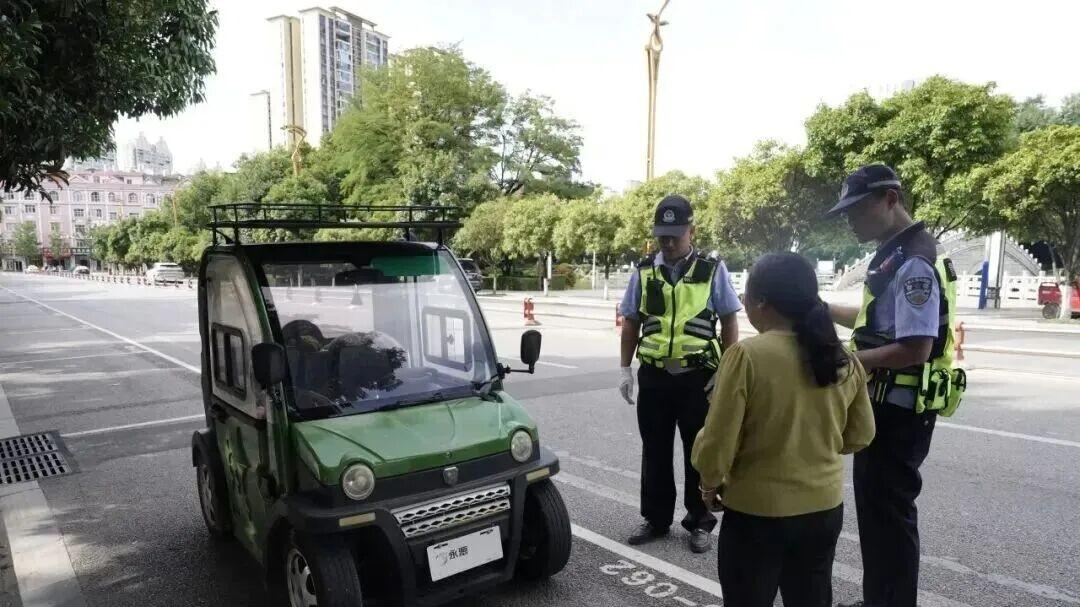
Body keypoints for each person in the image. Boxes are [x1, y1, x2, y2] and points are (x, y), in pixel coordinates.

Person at [690, 253, 875, 607]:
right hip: (823, 511)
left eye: (745, 297)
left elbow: (718, 441)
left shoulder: (746, 355)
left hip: (758, 515)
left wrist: (709, 483)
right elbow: (860, 435)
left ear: (761, 301)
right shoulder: (841, 356)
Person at [827, 165, 963, 607]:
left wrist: (846, 362)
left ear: (890, 198)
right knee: (878, 515)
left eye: (857, 208)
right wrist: (824, 307)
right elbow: (877, 323)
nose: (850, 219)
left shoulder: (914, 261)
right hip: (882, 404)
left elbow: (914, 347)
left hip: (898, 411)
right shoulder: (894, 254)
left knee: (889, 516)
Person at [618, 194, 741, 554]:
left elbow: (730, 320)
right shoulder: (643, 271)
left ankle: (700, 521)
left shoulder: (711, 270)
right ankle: (656, 519)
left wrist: (726, 371)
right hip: (654, 377)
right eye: (662, 236)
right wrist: (625, 369)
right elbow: (630, 322)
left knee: (697, 451)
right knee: (654, 451)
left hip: (696, 377)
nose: (668, 242)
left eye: (675, 234)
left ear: (692, 230)